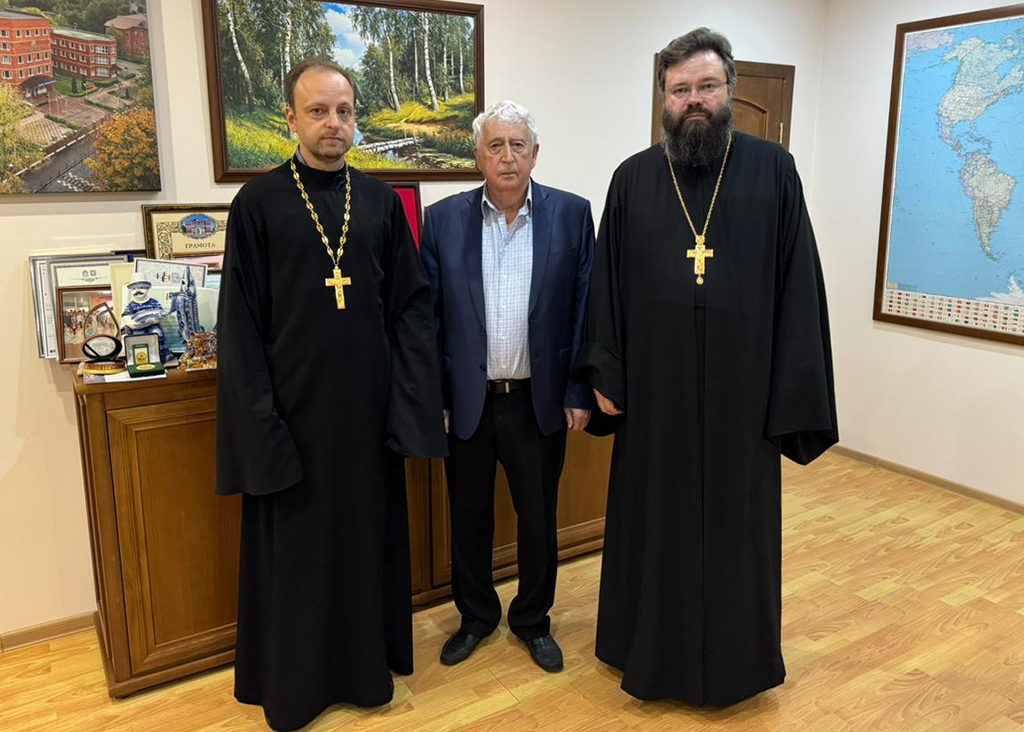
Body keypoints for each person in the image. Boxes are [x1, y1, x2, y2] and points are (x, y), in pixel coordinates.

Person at [573, 28, 838, 705]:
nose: (693, 99)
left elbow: (799, 286)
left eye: (706, 87)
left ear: (730, 92)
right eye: (680, 89)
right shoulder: (633, 178)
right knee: (653, 526)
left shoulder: (774, 170)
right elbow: (606, 288)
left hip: (741, 400)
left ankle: (736, 665)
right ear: (664, 98)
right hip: (655, 398)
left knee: (735, 532)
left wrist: (790, 396)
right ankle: (646, 652)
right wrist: (606, 374)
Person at [216, 57, 447, 732]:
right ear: (291, 118)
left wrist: (410, 406)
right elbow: (241, 329)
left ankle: (365, 674)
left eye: (344, 111)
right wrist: (262, 428)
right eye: (318, 111)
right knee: (298, 560)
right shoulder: (257, 204)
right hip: (292, 421)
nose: (333, 124)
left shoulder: (379, 203)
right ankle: (295, 689)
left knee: (364, 548)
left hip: (366, 421)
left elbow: (410, 308)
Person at [420, 100, 595, 673]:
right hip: (468, 404)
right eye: (495, 145)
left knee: (538, 519)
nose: (507, 156)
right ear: (477, 156)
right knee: (468, 518)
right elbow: (429, 320)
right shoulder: (442, 221)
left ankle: (532, 620)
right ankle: (475, 617)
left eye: (518, 145)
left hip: (537, 403)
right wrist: (438, 397)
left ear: (535, 154)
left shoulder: (572, 215)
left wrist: (577, 391)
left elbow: (584, 312)